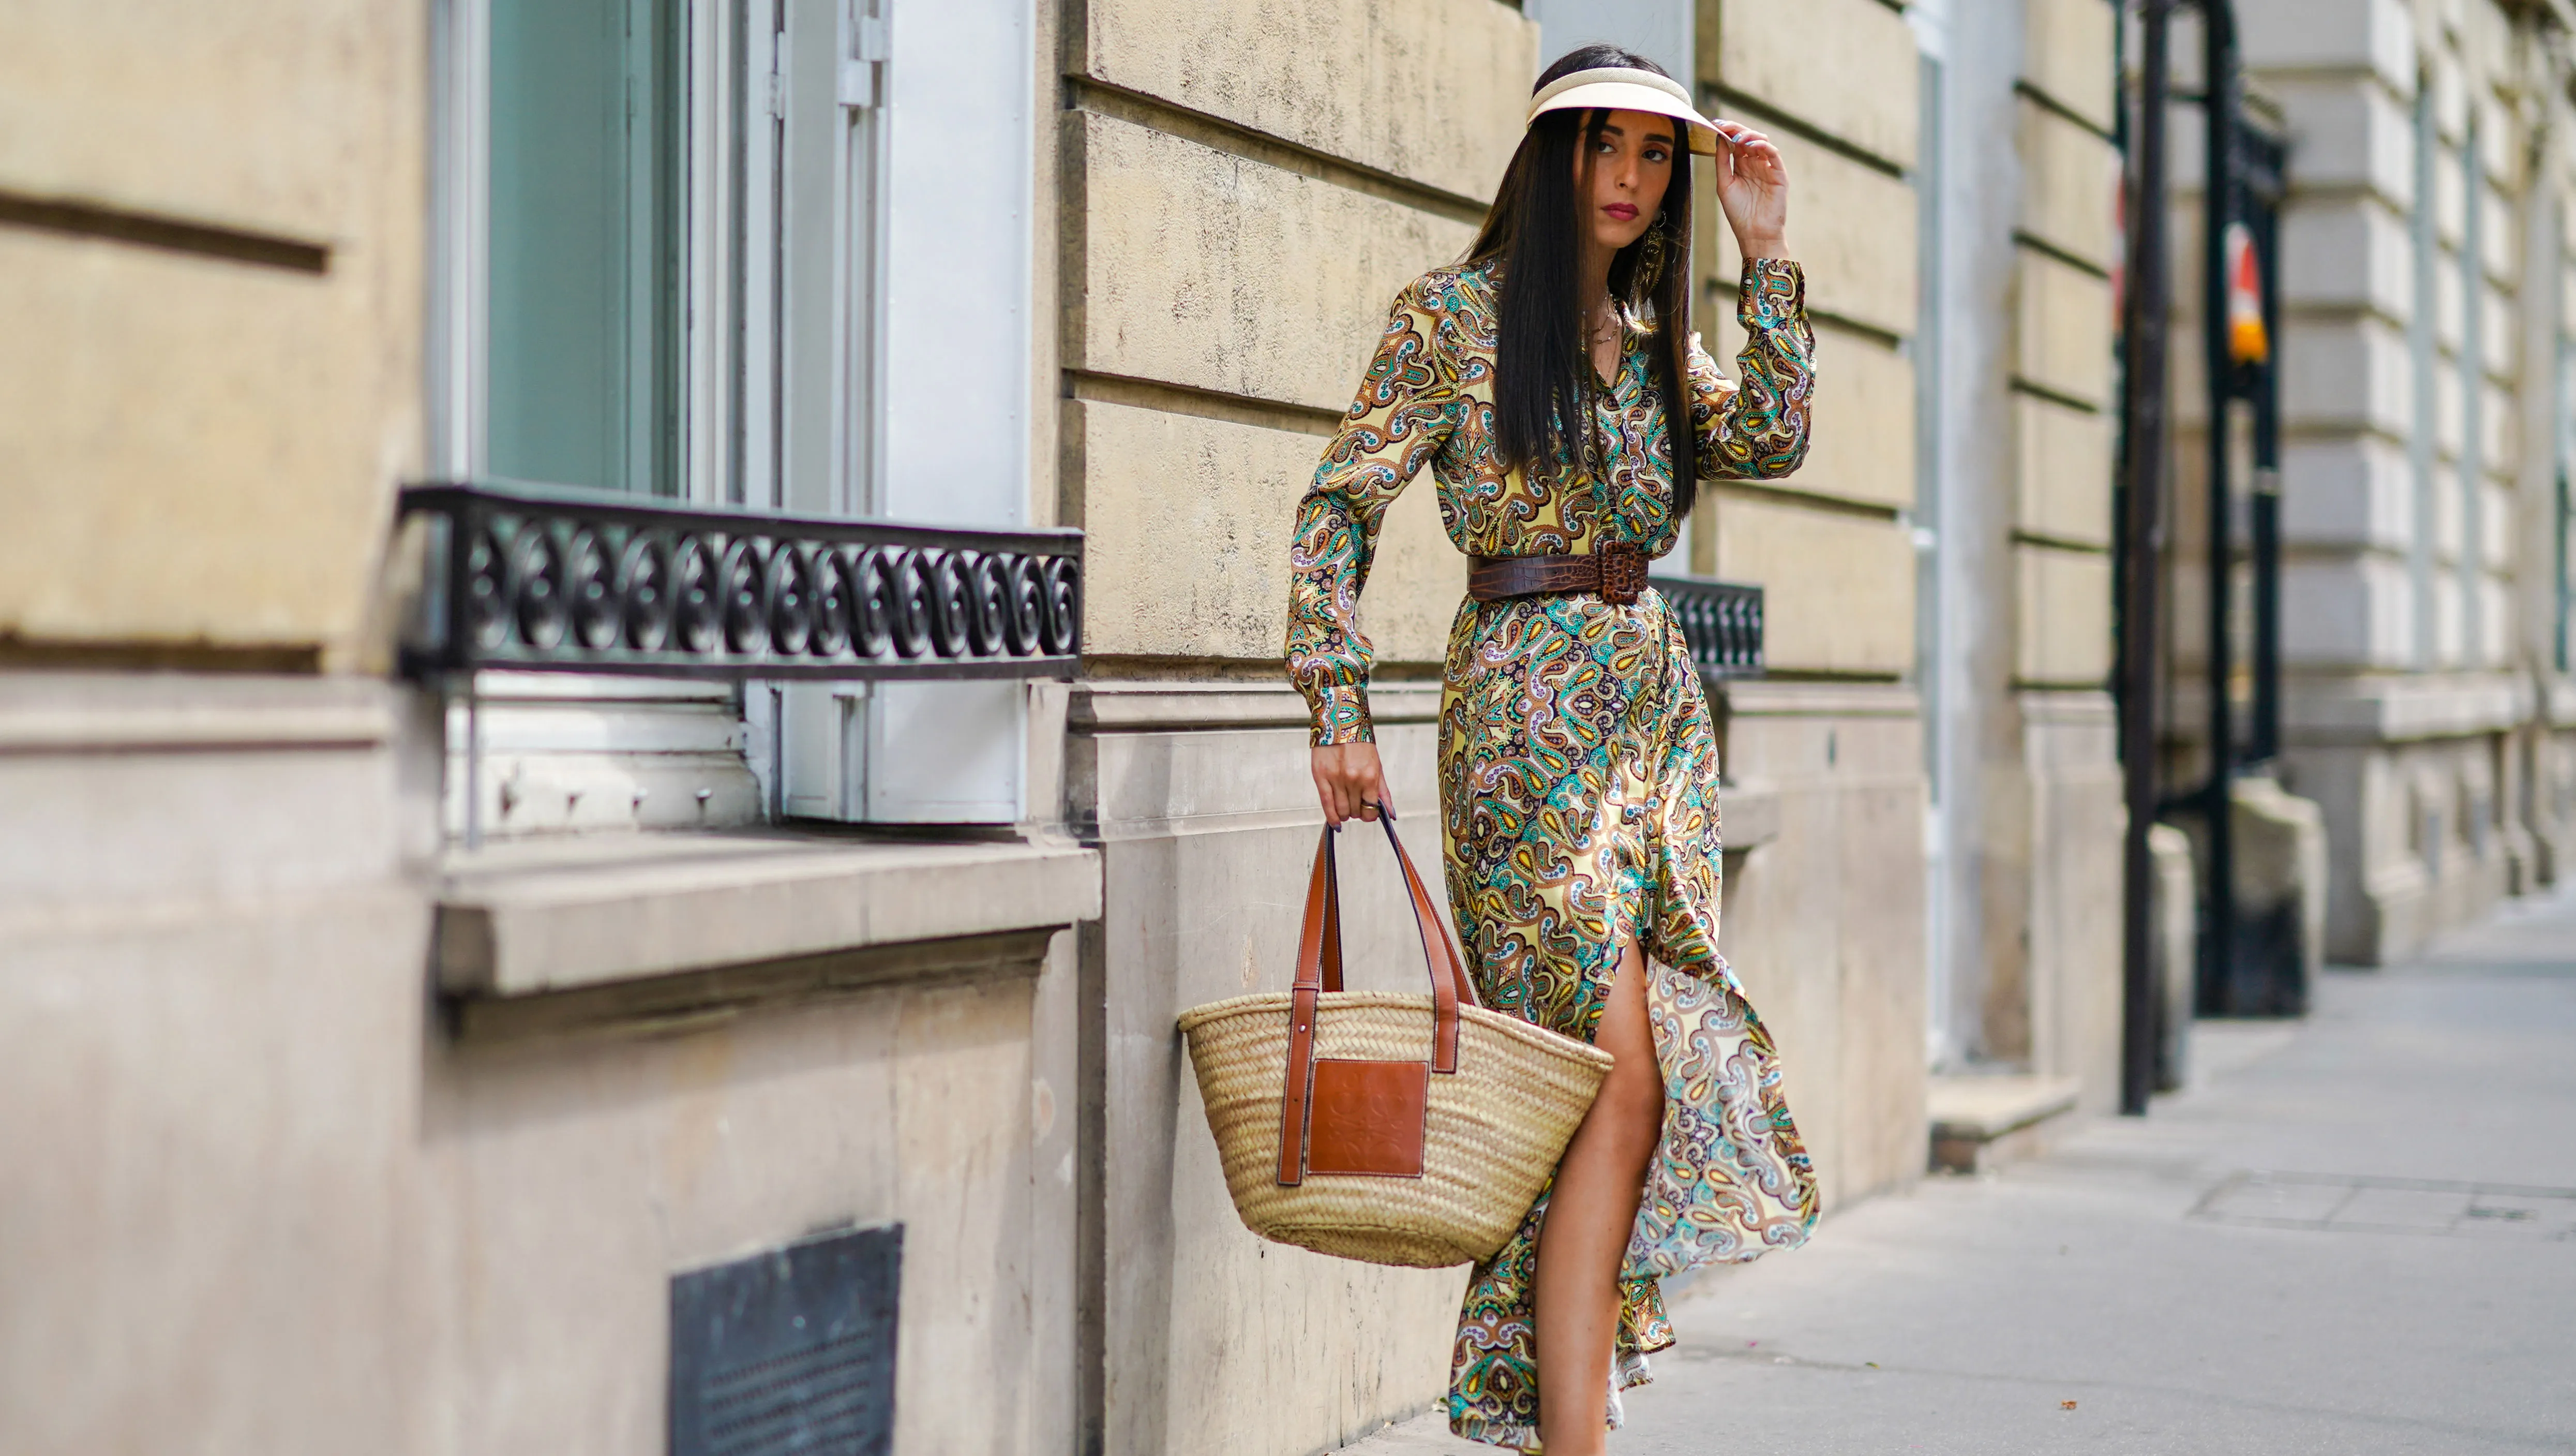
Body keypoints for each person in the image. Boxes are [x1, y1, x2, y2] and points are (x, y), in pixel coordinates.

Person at [1283, 44, 1822, 1455]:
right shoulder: (1450, 323)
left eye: (1655, 157)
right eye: (1607, 150)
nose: (1634, 182)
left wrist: (1767, 251)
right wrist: (1334, 705)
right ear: (1552, 159)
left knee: (1606, 1087)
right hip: (1523, 728)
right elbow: (1334, 511)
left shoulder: (1653, 342)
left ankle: (1565, 1422)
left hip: (1650, 731)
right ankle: (1573, 1434)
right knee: (1609, 1072)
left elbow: (1770, 437)